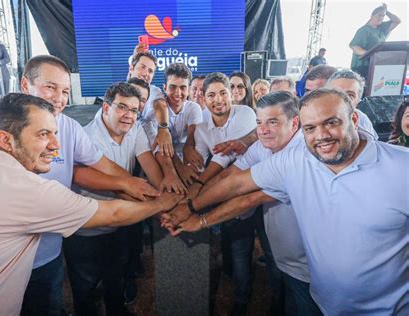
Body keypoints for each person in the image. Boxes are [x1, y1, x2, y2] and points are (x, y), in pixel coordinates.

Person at [166, 88, 408, 314]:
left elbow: (248, 199)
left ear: (354, 120)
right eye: (310, 128)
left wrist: (197, 216)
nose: (321, 136)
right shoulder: (296, 160)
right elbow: (236, 182)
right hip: (322, 298)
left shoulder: (402, 168)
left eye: (332, 123)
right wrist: (190, 209)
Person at [0, 93, 181, 315]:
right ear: (5, 139)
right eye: (43, 134)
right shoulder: (26, 190)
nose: (56, 145)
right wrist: (164, 202)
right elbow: (114, 213)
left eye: (54, 133)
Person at [165, 92, 322, 315]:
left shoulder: (298, 155)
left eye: (273, 122)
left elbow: (246, 197)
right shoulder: (264, 145)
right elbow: (228, 175)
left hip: (309, 264)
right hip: (287, 251)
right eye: (259, 123)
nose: (263, 130)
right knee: (280, 290)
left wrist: (195, 217)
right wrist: (190, 199)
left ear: (294, 122)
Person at [64, 82, 164, 315]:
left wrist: (162, 193)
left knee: (115, 277)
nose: (129, 115)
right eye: (122, 108)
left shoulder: (136, 128)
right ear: (106, 107)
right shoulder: (86, 137)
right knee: (84, 287)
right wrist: (162, 206)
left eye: (134, 110)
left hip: (119, 223)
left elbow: (149, 164)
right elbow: (120, 188)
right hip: (85, 229)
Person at [192, 72, 257, 315]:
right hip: (216, 199)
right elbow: (199, 161)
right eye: (211, 95)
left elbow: (225, 156)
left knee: (240, 250)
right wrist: (192, 173)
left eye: (222, 93)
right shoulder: (201, 127)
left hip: (243, 194)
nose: (218, 99)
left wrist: (198, 189)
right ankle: (224, 282)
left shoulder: (245, 114)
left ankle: (241, 298)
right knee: (222, 246)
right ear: (204, 98)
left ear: (231, 94)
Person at [349, 3, 401, 79]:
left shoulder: (382, 29)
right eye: (379, 15)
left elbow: (397, 21)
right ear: (372, 16)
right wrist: (371, 53)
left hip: (376, 65)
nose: (381, 17)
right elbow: (355, 47)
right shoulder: (363, 30)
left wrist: (387, 11)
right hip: (362, 66)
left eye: (383, 16)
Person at [325, 69, 378, 139]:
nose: (342, 100)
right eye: (336, 93)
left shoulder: (363, 121)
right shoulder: (310, 119)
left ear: (358, 101)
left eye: (350, 95)